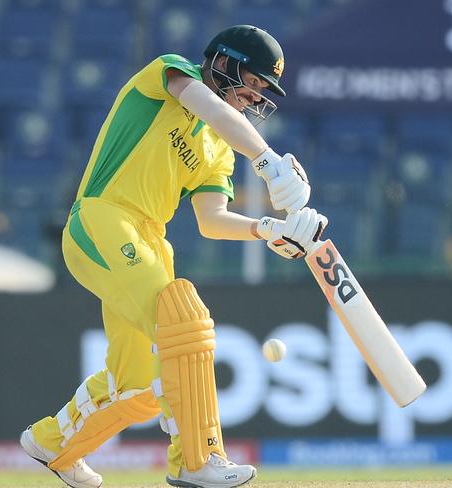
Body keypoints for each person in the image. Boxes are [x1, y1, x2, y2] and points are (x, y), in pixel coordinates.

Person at [20, 24, 328, 488]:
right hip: (103, 218)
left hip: (149, 240)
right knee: (182, 319)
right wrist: (266, 160)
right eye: (254, 84)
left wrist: (269, 229)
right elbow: (206, 104)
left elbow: (213, 220)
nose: (255, 99)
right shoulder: (170, 74)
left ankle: (52, 444)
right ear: (223, 64)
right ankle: (196, 459)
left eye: (265, 92)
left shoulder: (218, 148)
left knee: (139, 386)